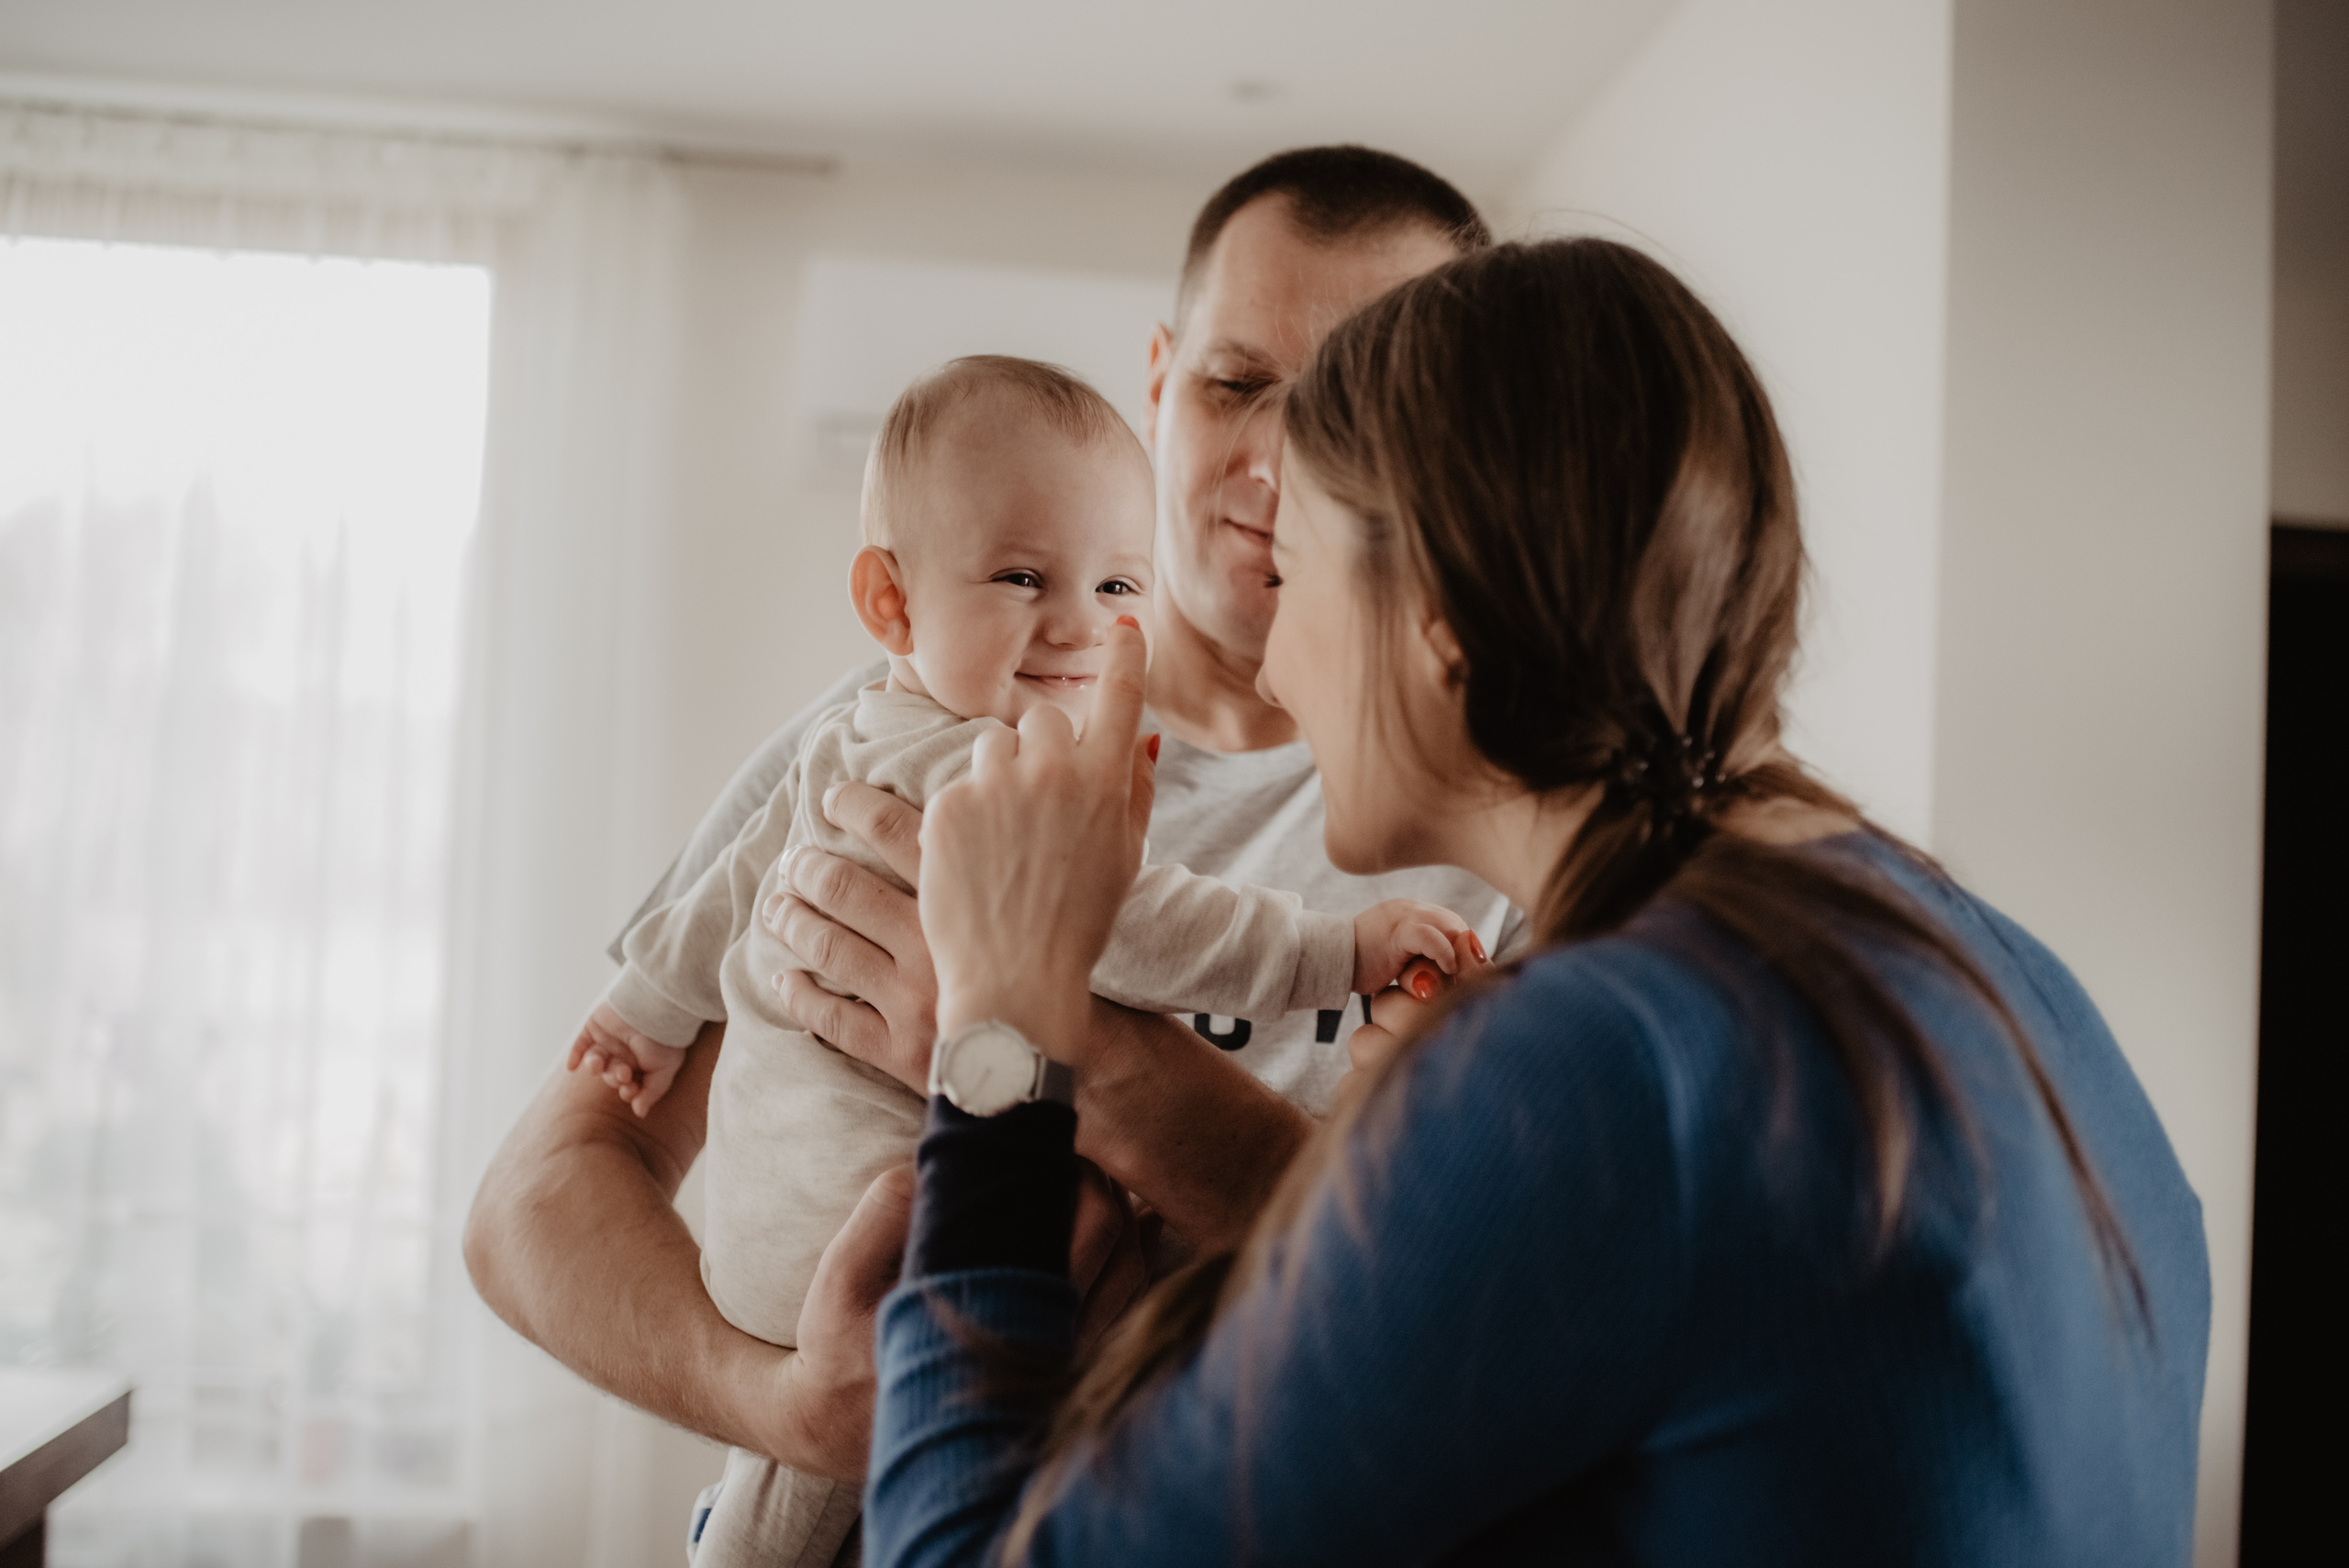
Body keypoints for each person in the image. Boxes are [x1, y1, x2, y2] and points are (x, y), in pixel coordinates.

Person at [846, 238, 2212, 1563]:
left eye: (1300, 577)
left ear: (1438, 617)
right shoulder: (1998, 970)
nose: (1273, 674)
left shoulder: (1606, 1062)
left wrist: (1005, 1034)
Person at [461, 146, 1516, 1563]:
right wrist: (786, 1399)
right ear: (1159, 378)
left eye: (1355, 406)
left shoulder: (1483, 855)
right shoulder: (892, 731)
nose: (1271, 455)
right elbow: (535, 1197)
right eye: (1234, 383)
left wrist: (1046, 1044)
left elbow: (1462, 1327)